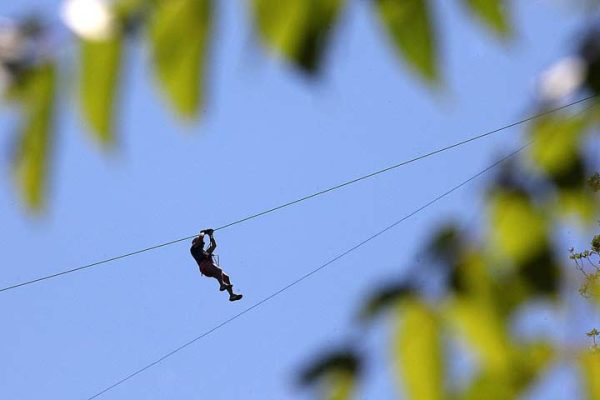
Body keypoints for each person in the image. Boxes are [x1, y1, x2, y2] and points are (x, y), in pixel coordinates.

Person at [190, 229, 243, 302]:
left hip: (209, 268)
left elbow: (214, 245)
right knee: (219, 270)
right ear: (195, 243)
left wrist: (211, 236)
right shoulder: (194, 249)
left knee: (226, 277)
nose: (203, 243)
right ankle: (222, 285)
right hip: (204, 266)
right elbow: (201, 237)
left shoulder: (205, 252)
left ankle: (231, 295)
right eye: (201, 242)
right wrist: (204, 232)